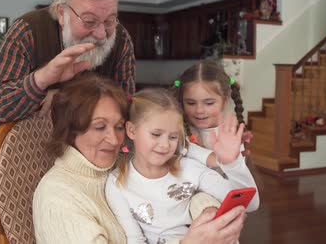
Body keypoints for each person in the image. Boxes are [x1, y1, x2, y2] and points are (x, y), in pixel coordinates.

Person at [33, 73, 247, 244]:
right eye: (100, 127)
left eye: (118, 127)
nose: (115, 138)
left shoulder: (119, 163)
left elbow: (178, 186)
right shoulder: (57, 196)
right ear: (70, 130)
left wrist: (203, 207)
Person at [0, 0, 136, 127]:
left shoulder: (121, 38)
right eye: (89, 21)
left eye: (110, 20)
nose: (101, 34)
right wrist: (41, 80)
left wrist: (65, 99)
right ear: (62, 13)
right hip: (33, 146)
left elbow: (127, 107)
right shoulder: (27, 31)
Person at [105, 88, 259, 244]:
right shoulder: (117, 183)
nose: (165, 145)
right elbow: (135, 240)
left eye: (173, 137)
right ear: (131, 130)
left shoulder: (190, 168)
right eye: (156, 134)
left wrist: (231, 163)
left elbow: (248, 204)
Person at [174, 60, 261, 183]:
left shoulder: (230, 136)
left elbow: (242, 187)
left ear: (224, 101)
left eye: (209, 103)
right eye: (191, 103)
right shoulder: (175, 133)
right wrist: (211, 158)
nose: (199, 110)